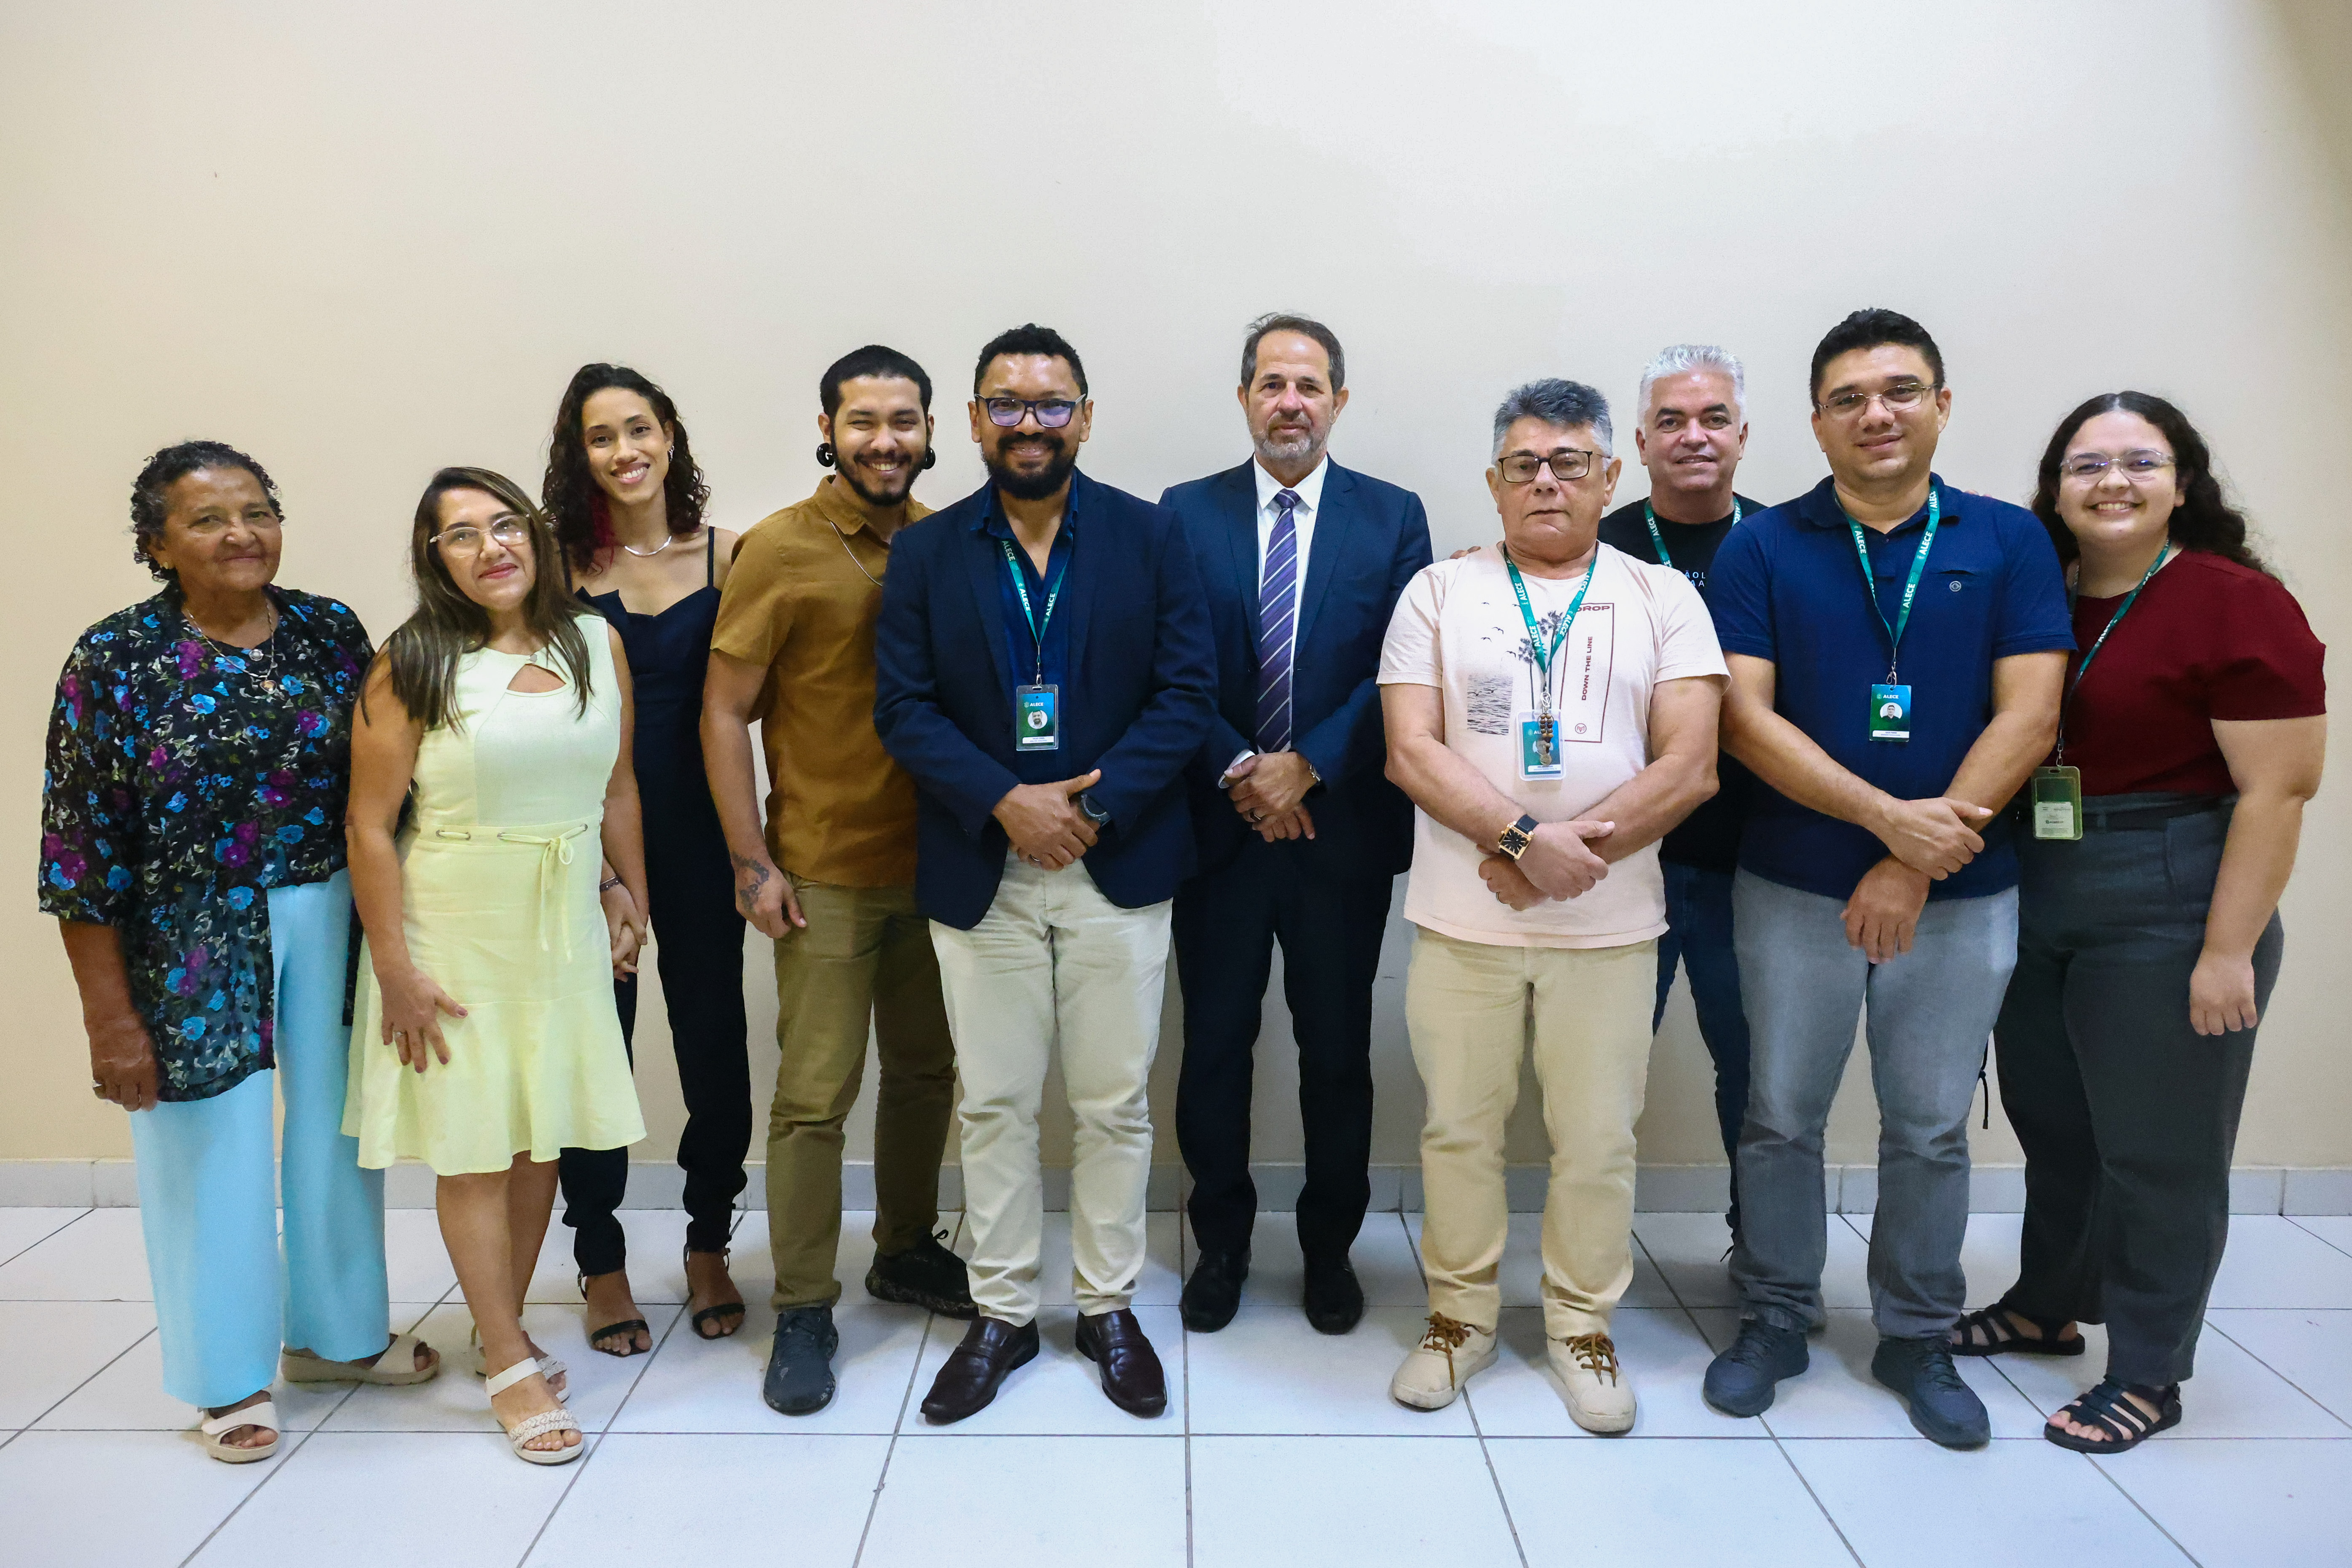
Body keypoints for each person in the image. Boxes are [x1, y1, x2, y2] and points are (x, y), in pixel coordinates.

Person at [1701, 309, 2072, 1449]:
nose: (1876, 414)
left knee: (1929, 1127)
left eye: (1900, 391)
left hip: (1961, 893)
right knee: (1778, 1116)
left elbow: (2032, 715)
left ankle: (1914, 1332)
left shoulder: (2006, 540)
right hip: (1793, 885)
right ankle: (1776, 1313)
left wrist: (1911, 863)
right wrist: (1885, 826)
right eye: (1849, 398)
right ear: (1815, 423)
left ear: (1941, 406)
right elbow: (1742, 719)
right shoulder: (1761, 547)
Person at [41, 441, 438, 1464]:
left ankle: (338, 1338)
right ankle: (226, 1376)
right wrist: (109, 1020)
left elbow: (384, 788)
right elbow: (79, 850)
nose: (240, 534)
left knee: (339, 1129)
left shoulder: (328, 630)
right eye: (208, 519)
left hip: (333, 911)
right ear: (157, 543)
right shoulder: (114, 658)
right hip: (187, 934)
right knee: (208, 1148)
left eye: (257, 511)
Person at [1949, 393, 2325, 1453]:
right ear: (2054, 488)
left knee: (2159, 1152)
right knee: (2057, 1128)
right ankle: (2046, 1304)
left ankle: (2150, 1370)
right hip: (2039, 881)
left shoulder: (2233, 602)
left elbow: (2277, 791)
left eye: (2138, 461)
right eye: (2085, 464)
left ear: (2181, 481)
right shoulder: (2042, 593)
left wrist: (2225, 950)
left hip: (2171, 890)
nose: (2110, 481)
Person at [875, 323, 1215, 1424]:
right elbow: (904, 710)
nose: (1031, 424)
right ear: (976, 421)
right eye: (1008, 404)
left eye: (1051, 403)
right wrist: (1005, 801)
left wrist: (1088, 809)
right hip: (983, 868)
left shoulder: (1151, 537)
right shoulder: (928, 553)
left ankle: (1107, 1309)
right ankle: (1004, 1313)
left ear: (1085, 417)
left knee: (1114, 1106)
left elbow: (1186, 695)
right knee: (995, 1105)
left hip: (1119, 864)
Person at [1378, 379, 1727, 1433]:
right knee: (1457, 1131)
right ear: (1492, 483)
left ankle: (1580, 1325)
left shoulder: (1662, 597)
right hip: (1462, 922)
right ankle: (1458, 1319)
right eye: (1522, 464)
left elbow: (1691, 765)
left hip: (1608, 929)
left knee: (1596, 1140)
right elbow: (1410, 751)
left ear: (1608, 477)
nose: (1545, 482)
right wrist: (1522, 843)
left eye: (1568, 463)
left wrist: (1563, 860)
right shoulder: (1437, 592)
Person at [343, 467, 648, 1464]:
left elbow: (615, 786)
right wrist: (395, 969)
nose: (491, 547)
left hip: (560, 924)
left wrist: (625, 891)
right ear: (435, 559)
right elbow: (369, 826)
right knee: (475, 1145)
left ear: (536, 535)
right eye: (461, 534)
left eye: (504, 524)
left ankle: (497, 1325)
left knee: (538, 1139)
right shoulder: (413, 662)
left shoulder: (595, 642)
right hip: (452, 927)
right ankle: (512, 1361)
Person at [705, 345, 974, 1417]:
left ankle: (904, 1249)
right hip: (821, 872)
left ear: (929, 431)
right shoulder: (779, 549)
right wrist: (751, 860)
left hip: (940, 865)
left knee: (926, 1073)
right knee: (813, 1100)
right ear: (828, 430)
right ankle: (804, 1306)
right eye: (862, 421)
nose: (884, 441)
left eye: (903, 421)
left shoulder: (950, 541)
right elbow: (724, 711)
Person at [1160, 313, 1432, 1336]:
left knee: (1336, 1054)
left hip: (1339, 834)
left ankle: (1328, 1250)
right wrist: (1244, 771)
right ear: (1243, 398)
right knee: (1213, 1049)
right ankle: (1221, 1245)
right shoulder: (1183, 513)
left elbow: (1398, 667)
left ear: (1337, 402)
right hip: (1219, 834)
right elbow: (1170, 662)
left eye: (1308, 386)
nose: (1289, 403)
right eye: (1271, 384)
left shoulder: (1390, 516)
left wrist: (1305, 766)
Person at [544, 363, 750, 1356]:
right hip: (590, 839)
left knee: (715, 1043)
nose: (624, 451)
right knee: (597, 1049)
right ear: (577, 455)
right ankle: (602, 1259)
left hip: (704, 829)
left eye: (638, 429)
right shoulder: (552, 571)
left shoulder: (731, 555)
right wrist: (601, 873)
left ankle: (709, 1243)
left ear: (669, 435)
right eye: (600, 436)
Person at [1594, 345, 1765, 1230]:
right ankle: (1590, 1265)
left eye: (1712, 419)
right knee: (1601, 1078)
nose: (1692, 436)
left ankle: (1760, 1255)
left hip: (1758, 868)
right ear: (1639, 443)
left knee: (1758, 1078)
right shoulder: (1595, 547)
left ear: (1742, 434)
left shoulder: (1785, 543)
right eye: (1670, 421)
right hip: (1628, 863)